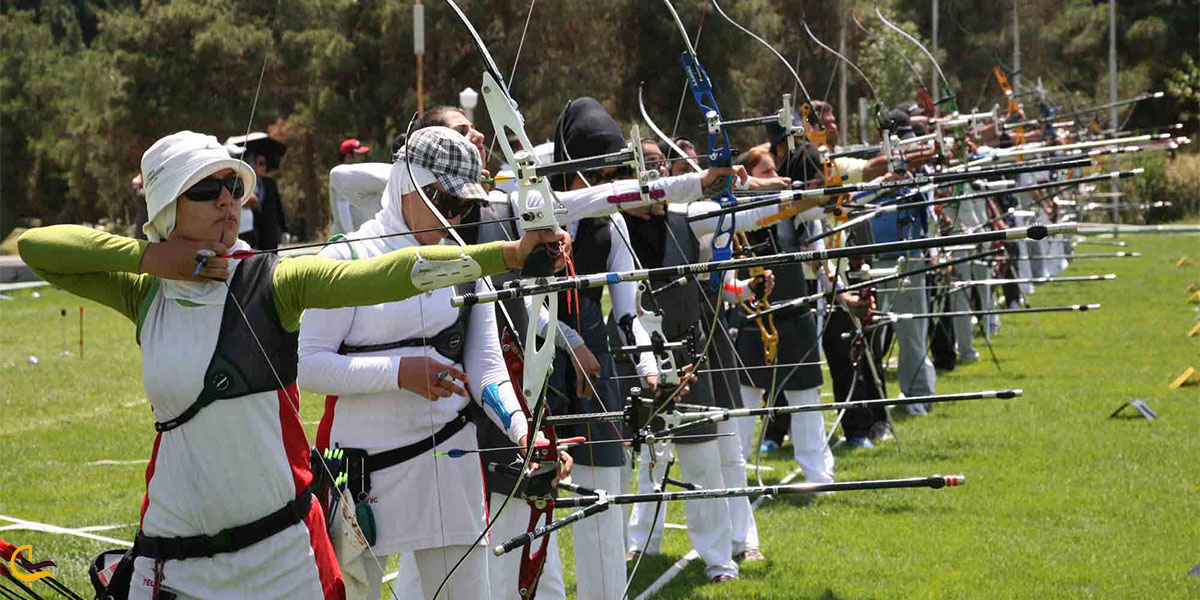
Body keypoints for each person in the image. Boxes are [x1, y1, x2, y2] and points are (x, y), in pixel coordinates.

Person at [17, 131, 565, 600]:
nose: (229, 200)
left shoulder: (270, 282)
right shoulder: (144, 294)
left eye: (234, 187)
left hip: (277, 554)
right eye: (208, 190)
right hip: (174, 551)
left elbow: (390, 272)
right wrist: (150, 258)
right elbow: (41, 248)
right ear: (165, 207)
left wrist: (510, 254)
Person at [299, 127, 563, 600]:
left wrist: (523, 433)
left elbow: (487, 370)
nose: (451, 215)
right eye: (440, 198)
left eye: (463, 206)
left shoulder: (465, 265)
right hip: (363, 474)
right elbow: (310, 367)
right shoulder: (345, 257)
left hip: (449, 464)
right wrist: (401, 373)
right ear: (404, 182)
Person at [329, 139, 375, 236]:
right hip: (347, 238)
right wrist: (351, 236)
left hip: (359, 236)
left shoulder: (353, 175)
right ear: (348, 157)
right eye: (359, 155)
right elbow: (343, 207)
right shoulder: (341, 176)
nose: (362, 158)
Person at [247, 149, 288, 250]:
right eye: (261, 163)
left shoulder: (270, 183)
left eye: (265, 163)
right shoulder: (247, 184)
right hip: (253, 233)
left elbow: (278, 206)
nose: (264, 167)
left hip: (270, 231)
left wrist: (285, 229)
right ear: (253, 164)